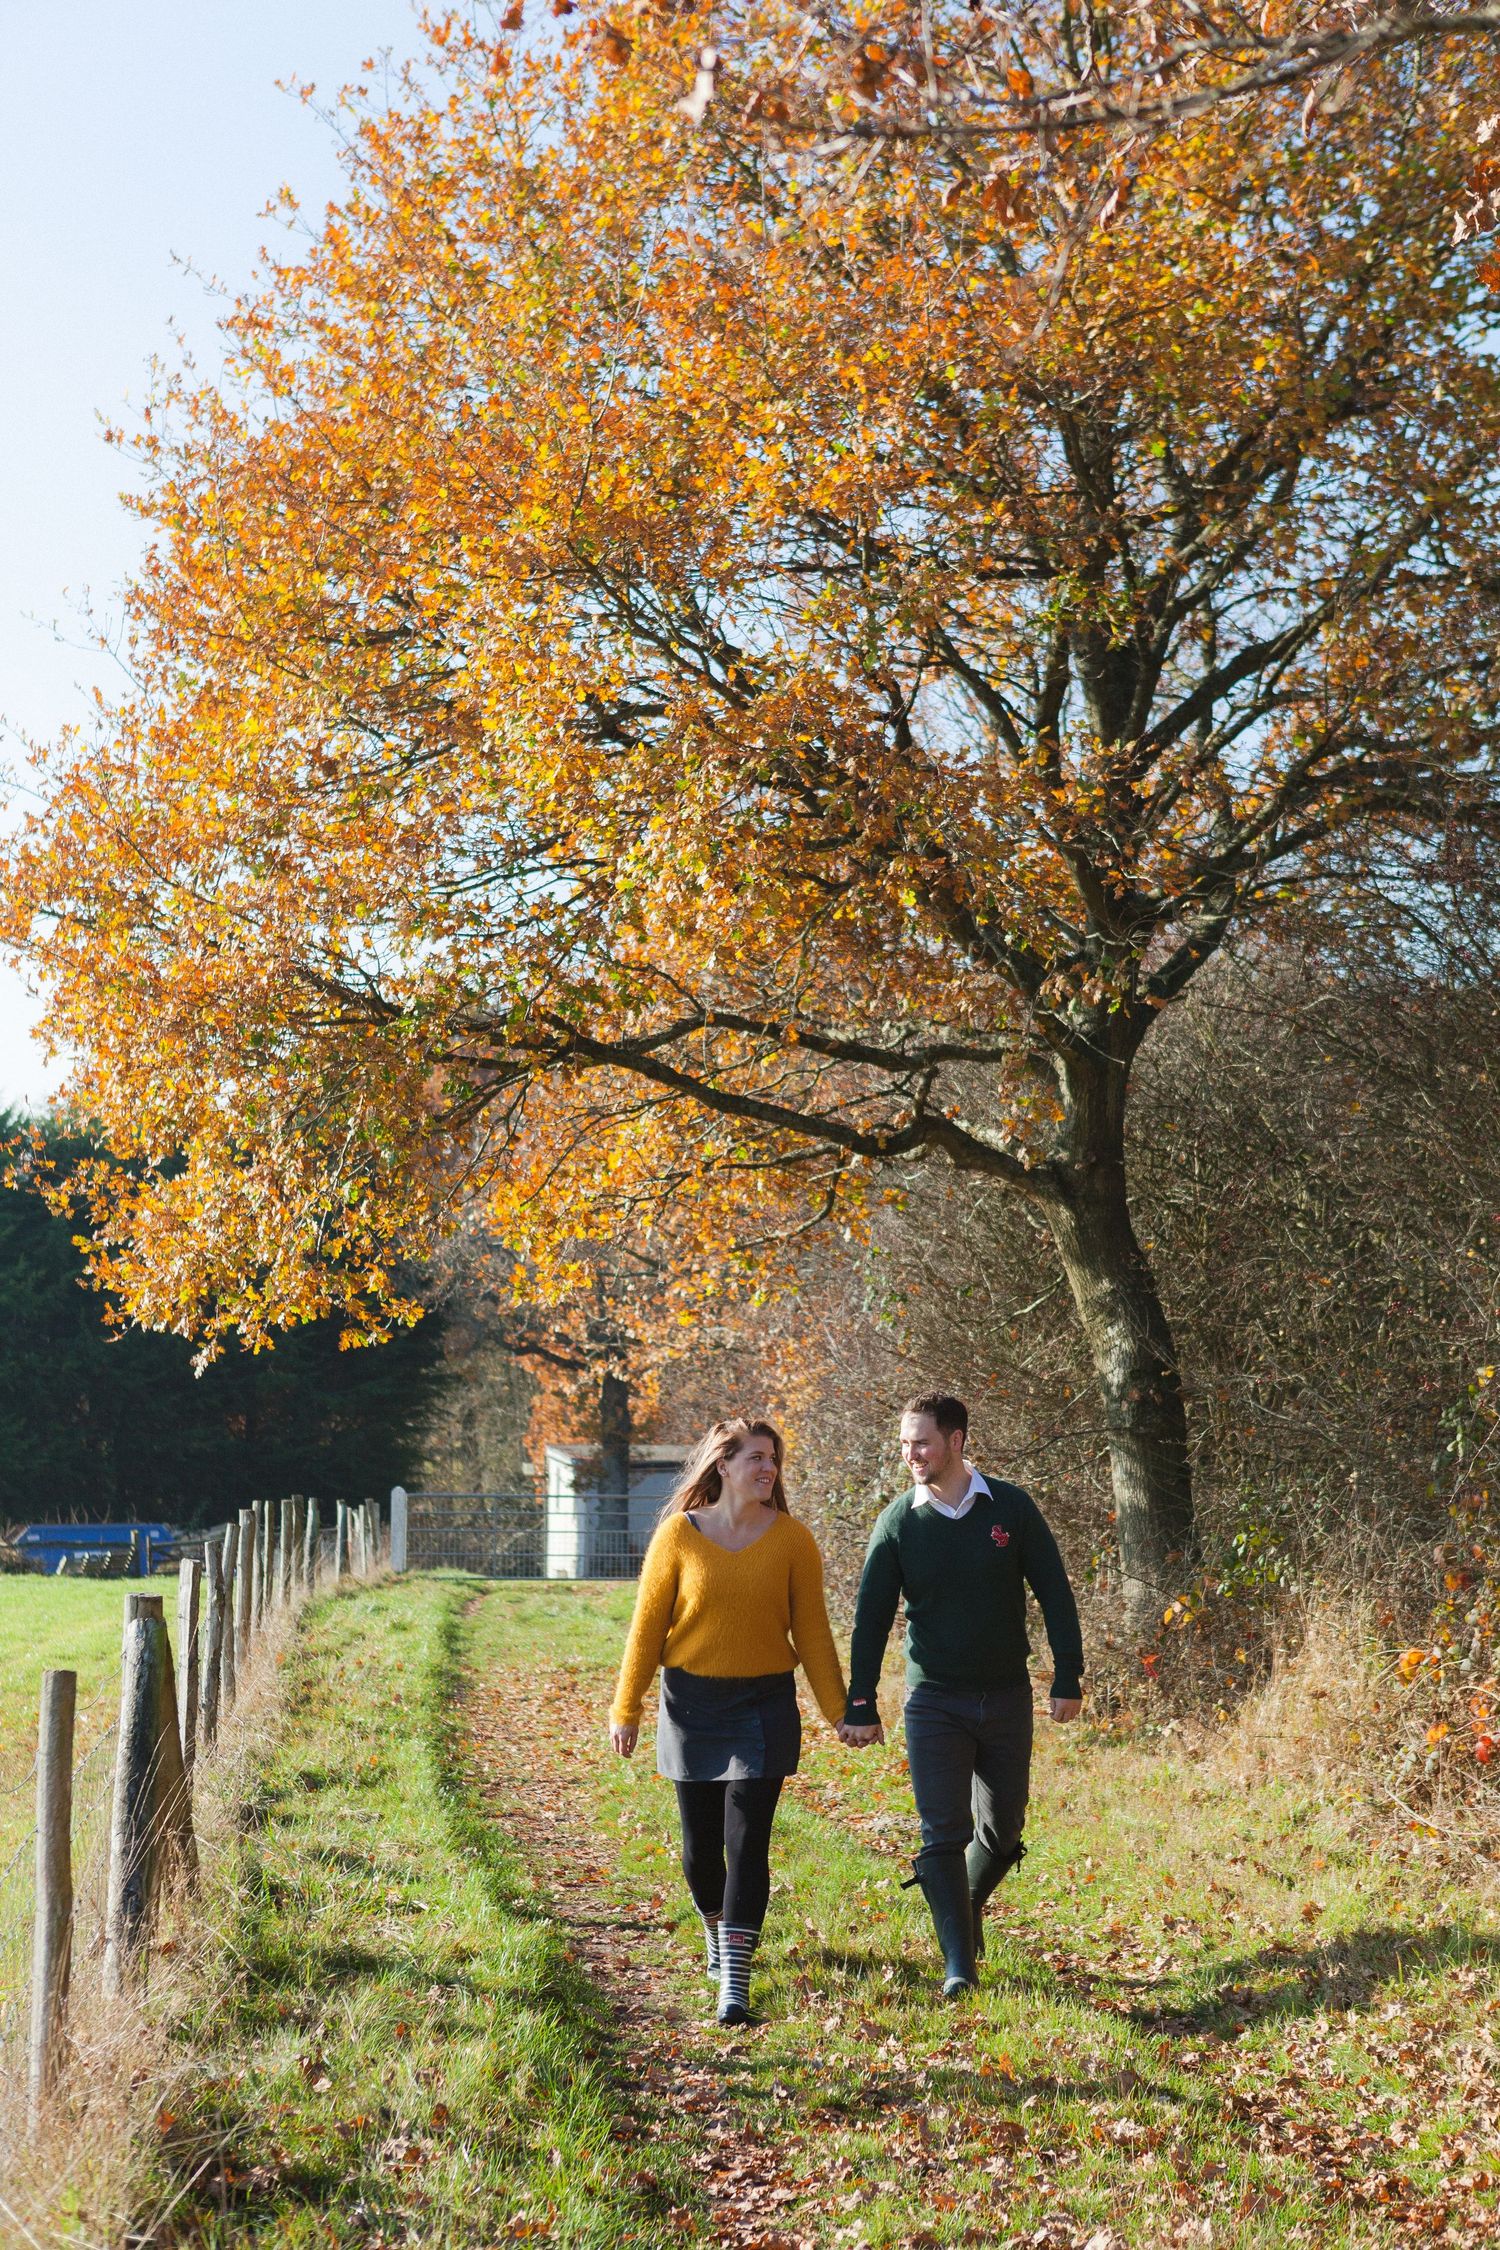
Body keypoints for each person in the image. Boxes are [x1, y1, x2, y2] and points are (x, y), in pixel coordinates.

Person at [841, 1391, 1083, 1998]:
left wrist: (1068, 1675)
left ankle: (963, 1906)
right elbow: (871, 1617)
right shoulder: (898, 1521)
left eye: (921, 1441)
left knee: (1002, 1830)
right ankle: (959, 1966)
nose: (911, 1454)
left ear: (956, 1440)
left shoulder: (1011, 1508)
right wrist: (861, 1700)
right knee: (942, 1830)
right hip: (934, 1701)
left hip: (1005, 1697)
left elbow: (1055, 1593)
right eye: (904, 1444)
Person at [610, 1416, 847, 2026]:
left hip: (764, 1706)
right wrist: (626, 1707)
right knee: (700, 1852)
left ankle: (734, 1987)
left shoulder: (793, 1540)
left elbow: (813, 1632)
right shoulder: (678, 1537)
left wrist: (841, 1712)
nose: (768, 1469)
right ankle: (717, 1934)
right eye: (757, 1459)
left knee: (748, 1844)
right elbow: (647, 1628)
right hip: (690, 1705)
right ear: (723, 1465)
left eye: (774, 1459)